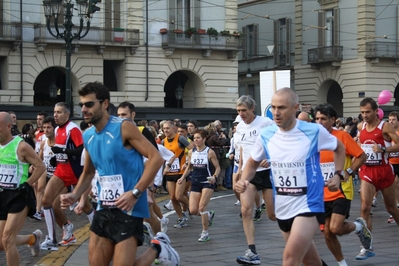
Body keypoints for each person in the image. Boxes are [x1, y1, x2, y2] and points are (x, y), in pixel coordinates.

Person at [60, 82, 180, 266]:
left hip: (129, 208)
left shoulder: (123, 127)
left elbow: (155, 158)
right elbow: (88, 172)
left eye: (89, 104)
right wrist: (75, 194)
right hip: (104, 207)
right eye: (81, 105)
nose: (84, 109)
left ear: (105, 104)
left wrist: (136, 192)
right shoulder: (88, 135)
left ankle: (159, 248)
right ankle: (159, 248)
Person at [236, 88, 347, 266]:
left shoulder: (313, 131)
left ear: (295, 107)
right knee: (311, 261)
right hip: (283, 205)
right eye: (273, 107)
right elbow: (252, 162)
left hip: (308, 204)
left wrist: (338, 174)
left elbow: (339, 148)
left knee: (290, 259)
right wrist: (244, 179)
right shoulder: (266, 134)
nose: (276, 113)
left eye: (282, 107)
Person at [315, 103, 372, 266]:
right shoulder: (312, 139)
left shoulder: (342, 136)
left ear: (333, 120)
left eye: (323, 119)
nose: (319, 122)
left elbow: (361, 156)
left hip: (342, 190)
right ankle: (342, 264)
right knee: (327, 232)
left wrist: (347, 172)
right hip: (322, 193)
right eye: (317, 118)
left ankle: (358, 227)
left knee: (335, 228)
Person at [40, 102, 93, 250]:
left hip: (75, 172)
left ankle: (99, 231)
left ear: (67, 114)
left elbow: (81, 149)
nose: (55, 115)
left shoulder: (73, 129)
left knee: (86, 206)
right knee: (46, 201)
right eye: (54, 112)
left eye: (59, 112)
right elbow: (61, 150)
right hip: (61, 172)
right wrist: (54, 158)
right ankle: (52, 238)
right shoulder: (57, 129)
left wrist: (63, 152)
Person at [0, 112, 46, 265]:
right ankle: (32, 238)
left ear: (8, 126)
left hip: (19, 196)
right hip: (2, 196)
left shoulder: (21, 147)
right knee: (1, 243)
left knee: (7, 239)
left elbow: (40, 166)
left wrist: (28, 183)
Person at [234, 95, 275, 265]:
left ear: (253, 109)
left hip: (268, 171)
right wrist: (239, 169)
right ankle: (252, 251)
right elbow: (242, 150)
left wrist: (270, 157)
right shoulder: (239, 129)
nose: (241, 114)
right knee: (245, 210)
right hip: (249, 173)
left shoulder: (266, 122)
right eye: (238, 111)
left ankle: (300, 235)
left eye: (244, 110)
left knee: (273, 215)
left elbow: (280, 140)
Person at [356, 97, 399, 260]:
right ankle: (367, 247)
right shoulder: (361, 126)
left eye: (367, 112)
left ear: (376, 111)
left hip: (384, 171)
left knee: (391, 209)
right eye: (362, 112)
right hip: (367, 171)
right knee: (365, 207)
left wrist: (383, 149)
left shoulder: (385, 126)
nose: (365, 115)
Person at [179, 129, 220, 242]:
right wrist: (182, 178)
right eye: (194, 138)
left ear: (204, 139)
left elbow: (218, 168)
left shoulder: (209, 152)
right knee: (193, 210)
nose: (196, 140)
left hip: (207, 182)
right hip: (195, 182)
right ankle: (208, 215)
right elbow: (189, 167)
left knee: (202, 207)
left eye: (198, 138)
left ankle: (205, 232)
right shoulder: (192, 152)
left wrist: (214, 177)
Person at [162, 120, 194, 228]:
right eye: (164, 128)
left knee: (179, 196)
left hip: (181, 172)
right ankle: (181, 217)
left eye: (168, 128)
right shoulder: (163, 141)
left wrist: (187, 162)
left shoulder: (180, 139)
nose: (165, 130)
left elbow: (192, 149)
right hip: (170, 173)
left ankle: (192, 207)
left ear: (173, 129)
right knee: (172, 197)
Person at [388, 111, 399, 223]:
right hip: (391, 163)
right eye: (390, 120)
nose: (391, 122)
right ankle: (396, 207)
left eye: (393, 119)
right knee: (394, 184)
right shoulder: (388, 133)